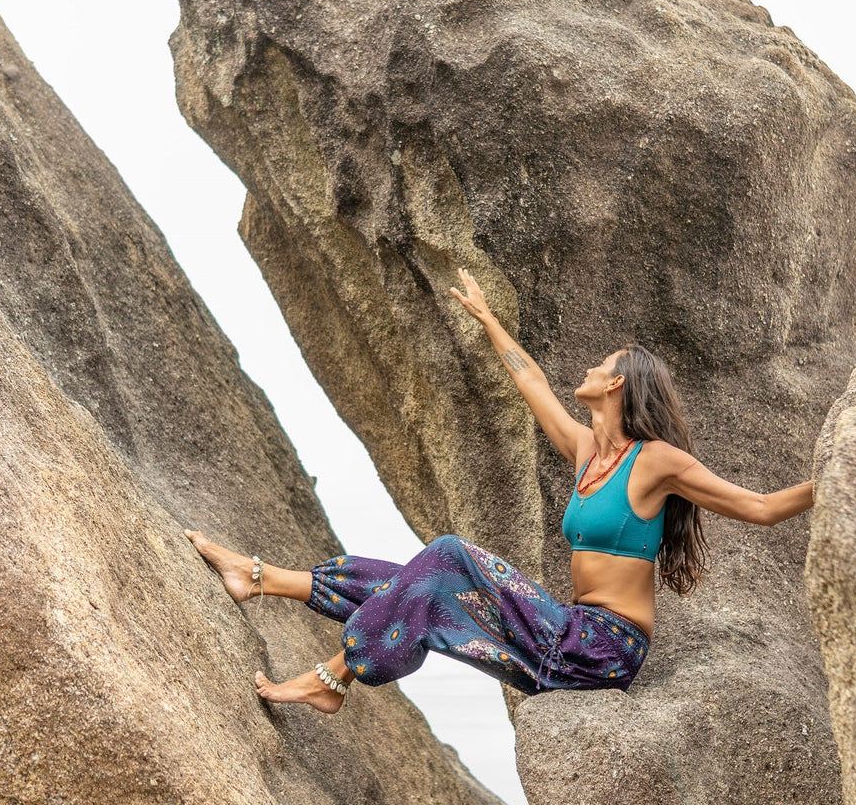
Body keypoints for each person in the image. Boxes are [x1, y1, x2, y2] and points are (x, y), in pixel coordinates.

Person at [186, 267, 814, 712]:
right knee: (419, 581)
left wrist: (829, 478)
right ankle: (260, 578)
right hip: (564, 632)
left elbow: (758, 508)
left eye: (603, 364)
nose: (590, 369)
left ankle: (334, 678)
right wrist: (488, 320)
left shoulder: (655, 463)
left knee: (449, 556)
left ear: (619, 385)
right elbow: (531, 382)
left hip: (602, 649)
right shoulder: (588, 451)